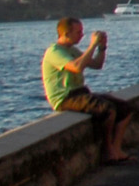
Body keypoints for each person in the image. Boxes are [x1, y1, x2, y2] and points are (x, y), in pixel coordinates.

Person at [42, 18, 133, 162]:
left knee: (125, 108)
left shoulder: (72, 50)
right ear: (66, 33)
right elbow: (76, 67)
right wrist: (92, 45)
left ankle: (116, 148)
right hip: (65, 97)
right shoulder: (54, 52)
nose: (81, 35)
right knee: (107, 110)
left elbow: (97, 65)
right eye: (78, 32)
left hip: (80, 92)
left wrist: (101, 48)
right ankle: (107, 151)